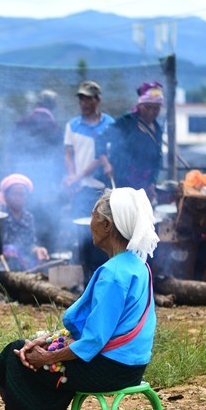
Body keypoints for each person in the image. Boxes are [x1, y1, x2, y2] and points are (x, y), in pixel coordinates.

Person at [0, 187, 160, 410]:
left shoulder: (114, 275)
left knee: (15, 356)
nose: (90, 223)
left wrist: (47, 357)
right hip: (130, 365)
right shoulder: (136, 263)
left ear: (106, 225)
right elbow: (103, 328)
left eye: (92, 216)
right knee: (26, 352)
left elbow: (94, 340)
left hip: (109, 369)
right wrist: (49, 340)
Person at [62, 81, 114, 281]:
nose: (83, 103)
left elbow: (101, 157)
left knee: (102, 235)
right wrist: (72, 177)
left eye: (88, 99)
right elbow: (68, 153)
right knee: (82, 235)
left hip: (101, 190)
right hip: (80, 190)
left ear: (97, 100)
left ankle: (102, 277)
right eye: (81, 99)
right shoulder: (72, 125)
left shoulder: (109, 124)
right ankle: (84, 279)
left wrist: (78, 176)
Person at [5, 89, 64, 252]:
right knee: (46, 217)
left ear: (38, 104)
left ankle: (24, 251)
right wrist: (58, 182)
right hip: (45, 182)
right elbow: (60, 158)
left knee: (27, 211)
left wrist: (11, 174)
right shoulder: (55, 128)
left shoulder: (21, 123)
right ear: (53, 107)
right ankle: (45, 251)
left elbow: (10, 151)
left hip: (22, 178)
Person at [100, 81, 165, 204]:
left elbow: (157, 160)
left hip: (143, 187)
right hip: (121, 182)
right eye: (148, 107)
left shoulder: (158, 129)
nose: (151, 112)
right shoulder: (126, 123)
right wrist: (106, 164)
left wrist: (152, 182)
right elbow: (101, 140)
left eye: (156, 108)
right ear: (140, 105)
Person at [0, 174, 49, 272]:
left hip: (25, 262)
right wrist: (8, 250)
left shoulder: (28, 217)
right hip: (2, 263)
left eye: (22, 194)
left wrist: (38, 250)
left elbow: (30, 245)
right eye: (15, 194)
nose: (18, 198)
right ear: (6, 196)